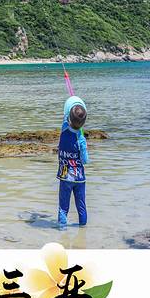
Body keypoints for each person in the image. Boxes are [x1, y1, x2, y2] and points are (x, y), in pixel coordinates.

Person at [57, 95, 89, 226]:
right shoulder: (81, 140)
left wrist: (71, 106)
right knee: (81, 206)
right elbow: (85, 160)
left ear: (68, 118)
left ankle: (62, 230)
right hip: (79, 176)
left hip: (65, 174)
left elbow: (66, 117)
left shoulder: (64, 129)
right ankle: (83, 230)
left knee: (63, 207)